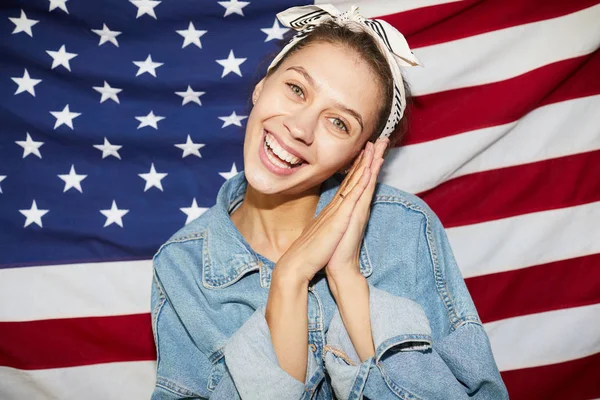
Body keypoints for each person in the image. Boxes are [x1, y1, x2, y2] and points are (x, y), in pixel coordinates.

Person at [150, 4, 509, 399]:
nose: (300, 128)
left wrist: (348, 279)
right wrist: (289, 280)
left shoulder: (405, 229)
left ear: (358, 157)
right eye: (296, 89)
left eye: (339, 123)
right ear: (262, 86)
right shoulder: (181, 265)